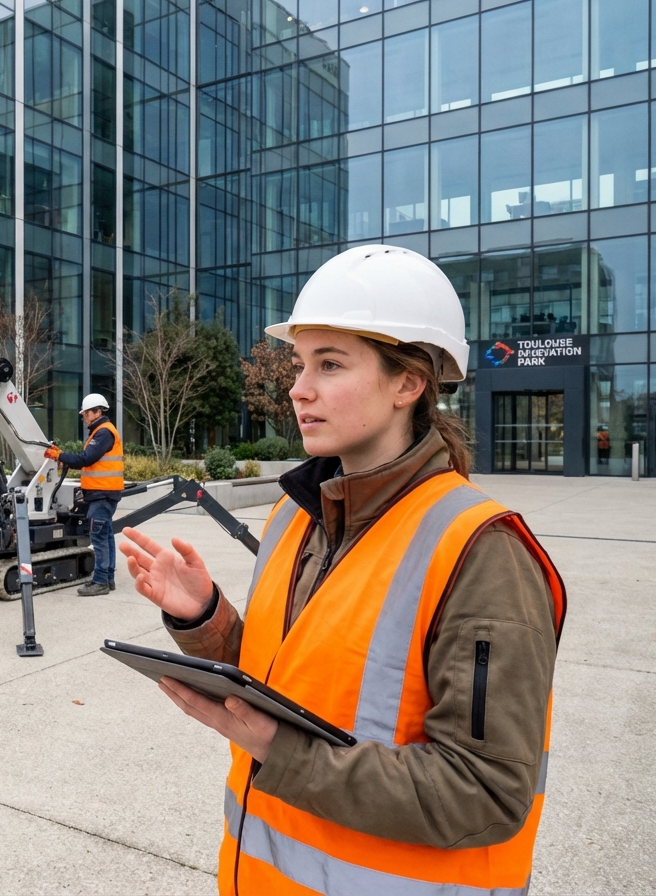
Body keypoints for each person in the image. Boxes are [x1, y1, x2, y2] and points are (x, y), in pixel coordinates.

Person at [119, 245, 567, 895]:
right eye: (302, 365)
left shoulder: (483, 554)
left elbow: (486, 791)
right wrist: (206, 618)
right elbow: (291, 684)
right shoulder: (293, 518)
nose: (299, 388)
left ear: (408, 383)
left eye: (330, 365)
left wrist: (284, 754)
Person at [44, 393, 123, 596]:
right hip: (102, 492)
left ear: (97, 412)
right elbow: (89, 461)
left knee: (98, 536)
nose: (84, 417)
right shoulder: (100, 431)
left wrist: (59, 455)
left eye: (86, 413)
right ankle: (108, 579)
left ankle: (100, 582)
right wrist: (64, 458)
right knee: (105, 535)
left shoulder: (104, 432)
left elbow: (86, 458)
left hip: (102, 493)